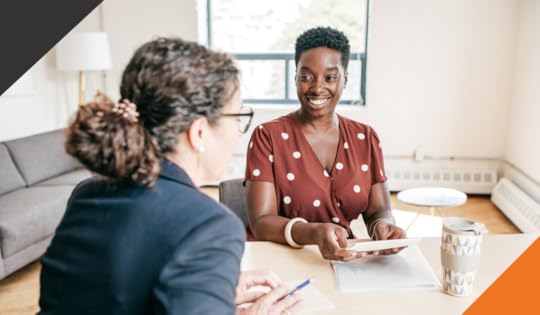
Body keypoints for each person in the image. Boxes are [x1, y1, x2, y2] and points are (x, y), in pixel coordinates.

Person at [38, 37, 301, 315]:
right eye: (236, 118)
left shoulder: (88, 192)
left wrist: (207, 287)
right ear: (199, 132)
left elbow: (111, 292)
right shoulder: (209, 226)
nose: (239, 132)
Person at [245, 27, 406, 261]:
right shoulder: (268, 136)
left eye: (330, 77)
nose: (317, 87)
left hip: (343, 258)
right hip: (282, 259)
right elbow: (261, 222)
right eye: (306, 77)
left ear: (345, 79)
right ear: (295, 78)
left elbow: (378, 210)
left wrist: (383, 226)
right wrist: (314, 233)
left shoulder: (366, 138)